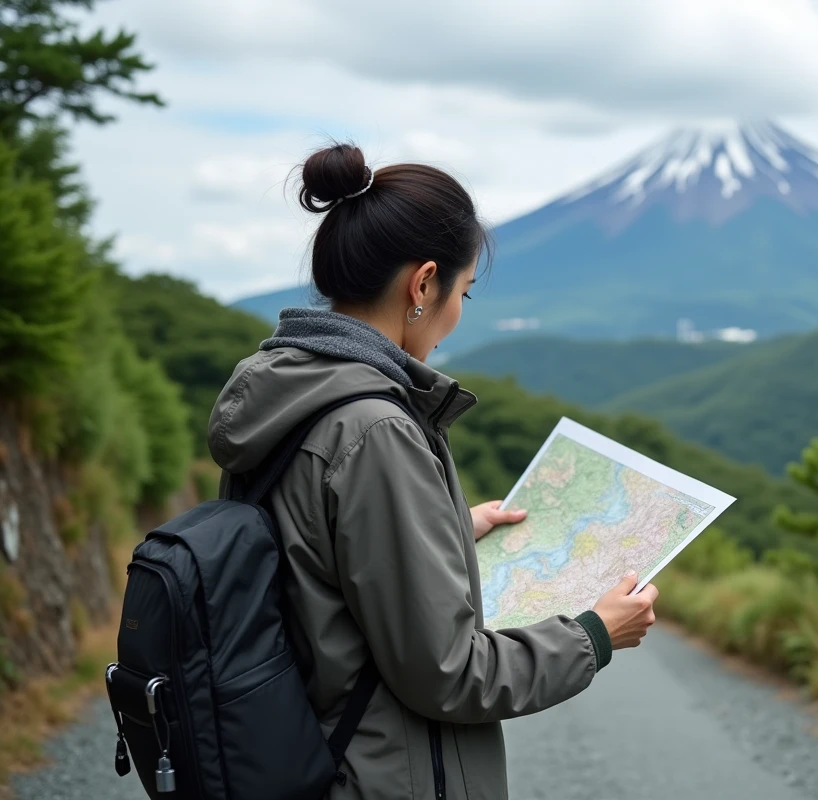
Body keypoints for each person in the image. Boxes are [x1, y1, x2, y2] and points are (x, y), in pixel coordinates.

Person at [206, 143, 658, 800]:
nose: (456, 314)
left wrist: (444, 529)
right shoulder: (375, 429)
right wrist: (595, 634)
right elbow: (450, 674)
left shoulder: (291, 392)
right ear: (423, 285)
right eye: (463, 292)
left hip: (306, 755)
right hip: (378, 777)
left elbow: (312, 565)